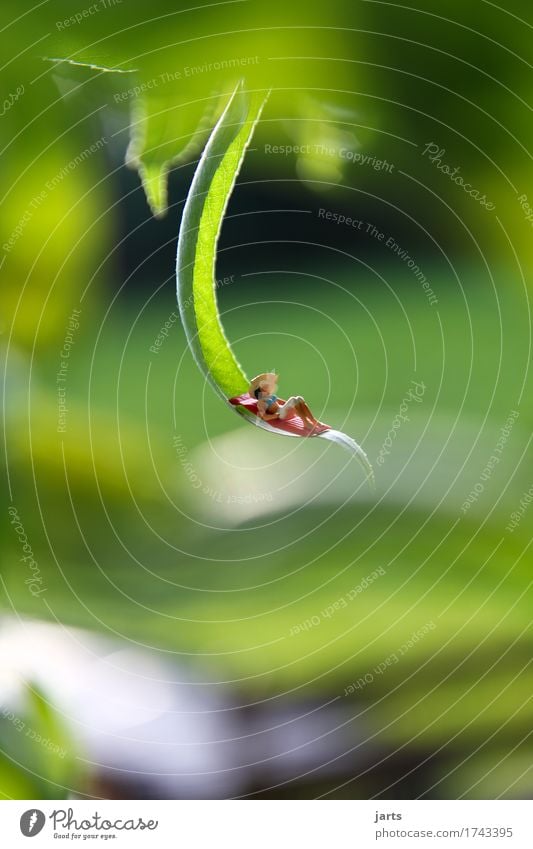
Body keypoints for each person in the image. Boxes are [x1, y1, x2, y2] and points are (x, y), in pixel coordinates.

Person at [249, 373, 321, 432]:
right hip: (280, 414)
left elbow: (283, 402)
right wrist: (276, 416)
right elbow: (264, 417)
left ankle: (313, 420)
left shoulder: (270, 396)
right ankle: (306, 423)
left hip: (283, 409)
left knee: (299, 399)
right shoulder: (261, 402)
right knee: (293, 399)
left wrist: (294, 406)